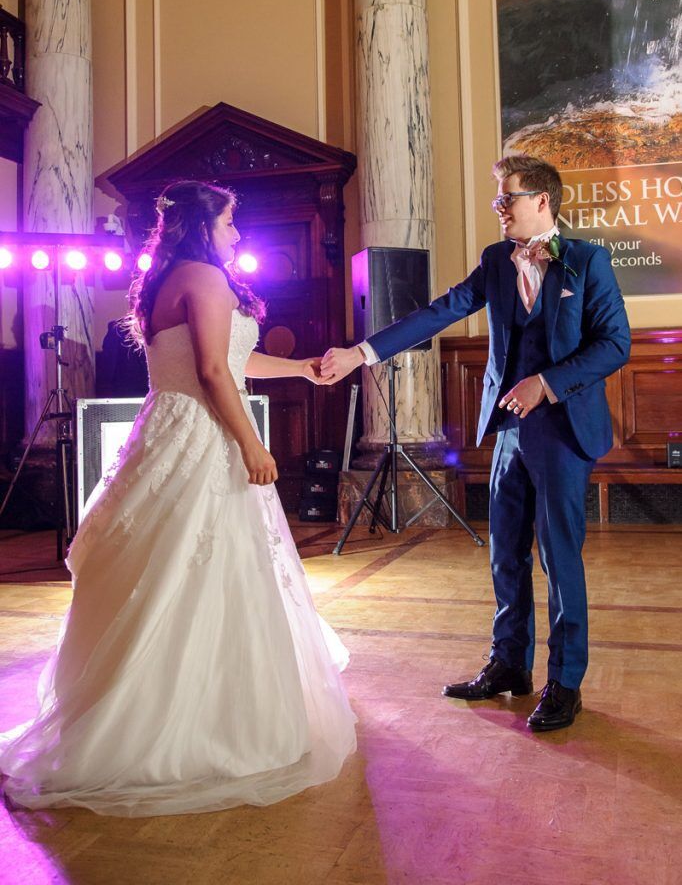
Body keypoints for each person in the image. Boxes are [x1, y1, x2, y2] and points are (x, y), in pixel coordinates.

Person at [0, 181, 356, 815]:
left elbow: (226, 361)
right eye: (230, 222)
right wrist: (250, 443)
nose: (238, 234)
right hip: (202, 435)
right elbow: (217, 373)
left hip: (165, 432)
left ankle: (159, 699)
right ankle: (200, 721)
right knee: (204, 570)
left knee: (167, 569)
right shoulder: (206, 279)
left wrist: (300, 367)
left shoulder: (174, 278)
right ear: (203, 225)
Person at [321, 155, 630, 731]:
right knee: (504, 552)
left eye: (506, 198)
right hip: (509, 432)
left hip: (564, 430)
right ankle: (509, 664)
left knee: (558, 558)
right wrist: (361, 355)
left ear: (542, 201)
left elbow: (615, 344)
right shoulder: (495, 261)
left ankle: (564, 682)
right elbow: (442, 311)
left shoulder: (588, 261)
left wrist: (548, 383)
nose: (499, 209)